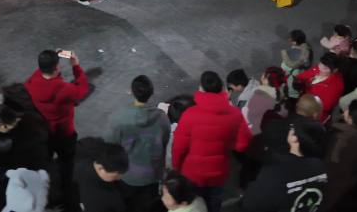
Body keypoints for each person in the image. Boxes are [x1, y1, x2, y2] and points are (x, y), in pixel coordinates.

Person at [172, 71, 252, 212]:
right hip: (218, 173)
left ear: (201, 88)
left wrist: (177, 169)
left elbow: (178, 148)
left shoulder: (189, 115)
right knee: (214, 203)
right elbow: (243, 144)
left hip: (193, 174)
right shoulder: (235, 114)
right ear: (221, 88)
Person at [25, 50, 89, 211]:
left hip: (44, 133)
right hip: (64, 134)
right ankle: (66, 195)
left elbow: (38, 75)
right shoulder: (65, 89)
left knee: (44, 161)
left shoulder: (31, 84)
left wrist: (48, 60)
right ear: (57, 68)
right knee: (66, 164)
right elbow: (82, 88)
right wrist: (76, 66)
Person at [105, 75, 170, 212]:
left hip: (128, 175)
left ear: (132, 91)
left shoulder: (119, 118)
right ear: (151, 93)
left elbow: (111, 147)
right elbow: (164, 142)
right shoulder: (162, 117)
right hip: (152, 174)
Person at [237, 122, 328, 212]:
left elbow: (250, 205)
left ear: (294, 139)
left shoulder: (275, 173)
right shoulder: (321, 166)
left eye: (292, 129)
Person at [73, 137, 129, 212]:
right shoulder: (106, 199)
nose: (119, 178)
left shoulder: (83, 153)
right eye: (116, 175)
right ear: (101, 168)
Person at [295, 52, 345, 122]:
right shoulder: (317, 69)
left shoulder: (336, 87)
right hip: (303, 103)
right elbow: (301, 76)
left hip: (313, 115)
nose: (321, 69)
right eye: (321, 64)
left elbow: (325, 107)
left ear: (335, 70)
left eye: (326, 68)